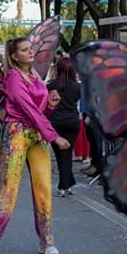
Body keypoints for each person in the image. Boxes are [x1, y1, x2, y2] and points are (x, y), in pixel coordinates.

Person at [0, 37, 71, 254]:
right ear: (14, 56)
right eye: (25, 50)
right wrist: (54, 137)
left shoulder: (35, 77)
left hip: (36, 135)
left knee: (44, 187)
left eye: (31, 48)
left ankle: (46, 240)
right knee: (8, 188)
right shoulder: (13, 78)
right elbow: (29, 110)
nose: (30, 52)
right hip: (16, 133)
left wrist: (51, 106)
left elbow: (40, 111)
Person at [47, 57, 82, 196]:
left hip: (55, 122)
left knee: (60, 154)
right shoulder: (77, 86)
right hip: (72, 121)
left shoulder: (50, 86)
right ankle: (69, 183)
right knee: (67, 153)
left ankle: (63, 186)